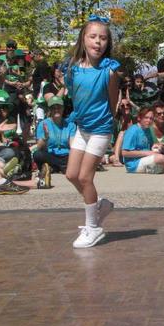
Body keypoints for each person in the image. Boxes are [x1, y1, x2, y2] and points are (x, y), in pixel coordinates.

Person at [63, 15, 120, 249]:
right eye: (93, 37)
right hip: (81, 128)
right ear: (83, 39)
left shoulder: (109, 71)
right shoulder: (73, 69)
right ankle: (98, 205)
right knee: (71, 175)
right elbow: (74, 96)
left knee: (86, 177)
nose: (98, 42)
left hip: (100, 129)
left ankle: (93, 227)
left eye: (103, 38)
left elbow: (113, 101)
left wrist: (109, 124)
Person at [33, 96, 77, 187]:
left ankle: (55, 167)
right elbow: (39, 147)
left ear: (63, 108)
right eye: (53, 108)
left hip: (66, 156)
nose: (56, 110)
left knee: (79, 156)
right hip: (51, 155)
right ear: (49, 110)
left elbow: (72, 146)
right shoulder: (43, 124)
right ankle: (61, 167)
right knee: (37, 154)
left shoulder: (70, 125)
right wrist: (45, 137)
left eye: (59, 107)